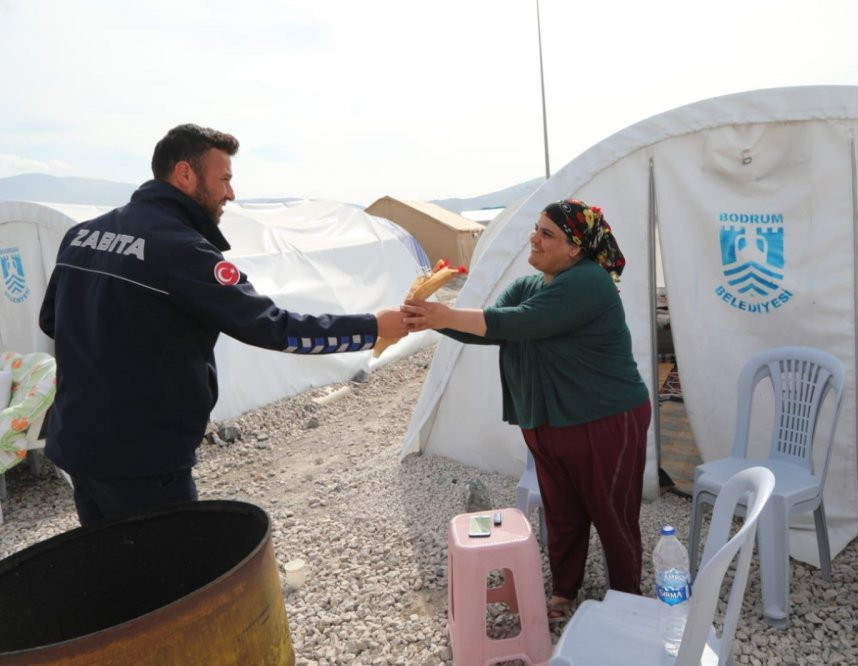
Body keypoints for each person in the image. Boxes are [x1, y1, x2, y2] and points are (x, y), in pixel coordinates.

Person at [38, 123, 409, 526]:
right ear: (184, 174)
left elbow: (51, 321)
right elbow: (273, 327)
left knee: (106, 568)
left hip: (75, 444)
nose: (230, 193)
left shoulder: (81, 235)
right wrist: (373, 325)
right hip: (143, 460)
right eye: (225, 179)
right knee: (167, 579)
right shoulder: (183, 251)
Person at [402, 198, 651, 623]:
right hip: (549, 423)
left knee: (612, 513)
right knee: (562, 511)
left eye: (546, 233)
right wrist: (431, 318)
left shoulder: (590, 282)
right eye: (536, 228)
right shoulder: (529, 287)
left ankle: (629, 601)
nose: (533, 238)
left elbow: (516, 324)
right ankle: (565, 592)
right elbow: (490, 327)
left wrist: (442, 314)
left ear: (576, 248)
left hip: (605, 419)